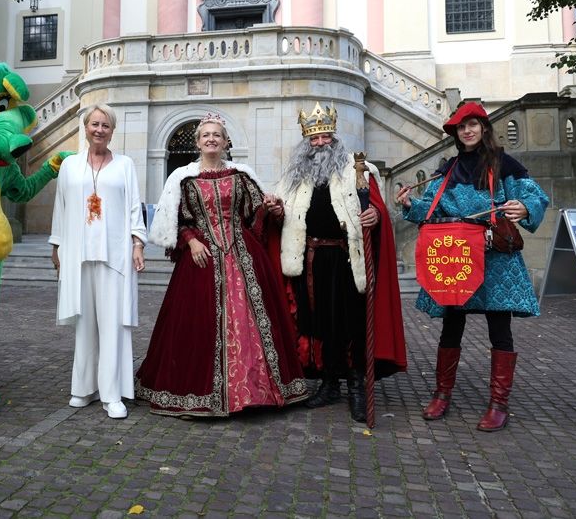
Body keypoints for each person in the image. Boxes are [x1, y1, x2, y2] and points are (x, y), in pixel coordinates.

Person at [135, 113, 308, 417]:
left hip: (243, 254)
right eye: (206, 135)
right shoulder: (184, 179)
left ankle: (256, 390)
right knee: (196, 324)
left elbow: (256, 214)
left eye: (217, 135)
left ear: (226, 141)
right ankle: (202, 394)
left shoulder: (242, 176)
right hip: (200, 259)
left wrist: (272, 207)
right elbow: (177, 219)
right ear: (198, 142)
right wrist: (191, 240)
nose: (211, 139)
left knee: (254, 320)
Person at [396, 101, 548, 432]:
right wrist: (409, 204)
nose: (467, 131)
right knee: (451, 326)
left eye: (473, 125)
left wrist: (525, 207)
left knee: (499, 329)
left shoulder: (504, 163)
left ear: (484, 128)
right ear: (455, 133)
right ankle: (442, 394)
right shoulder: (448, 169)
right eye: (461, 127)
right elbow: (430, 210)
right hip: (457, 258)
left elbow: (535, 197)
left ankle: (499, 404)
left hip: (495, 258)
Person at [270, 101, 406, 423]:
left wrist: (375, 215)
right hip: (310, 259)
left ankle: (357, 386)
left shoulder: (358, 171)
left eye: (325, 137)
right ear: (306, 142)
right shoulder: (293, 178)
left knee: (351, 322)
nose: (320, 143)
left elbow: (376, 209)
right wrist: (275, 211)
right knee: (319, 322)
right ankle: (329, 383)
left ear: (335, 138)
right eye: (314, 139)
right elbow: (282, 215)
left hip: (347, 258)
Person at [49, 104, 147, 420]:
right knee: (85, 325)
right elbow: (61, 207)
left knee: (112, 324)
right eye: (94, 124)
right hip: (78, 254)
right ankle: (84, 387)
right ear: (86, 128)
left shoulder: (125, 165)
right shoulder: (69, 166)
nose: (99, 130)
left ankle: (112, 393)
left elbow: (134, 207)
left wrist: (137, 243)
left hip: (115, 254)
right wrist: (56, 245)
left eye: (105, 125)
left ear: (112, 130)